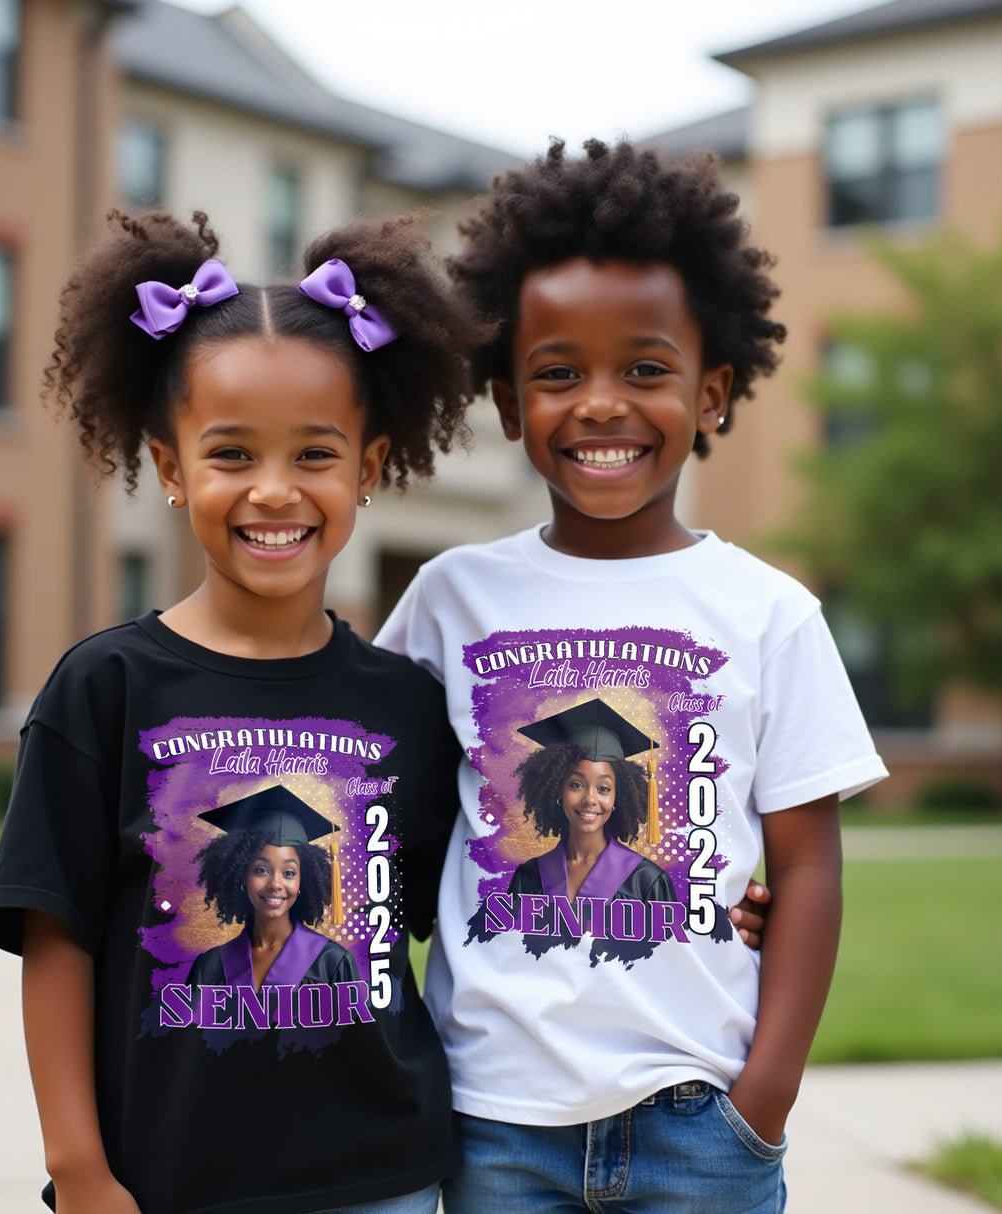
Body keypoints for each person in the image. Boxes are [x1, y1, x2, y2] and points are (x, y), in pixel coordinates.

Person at [376, 139, 888, 1213]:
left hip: (697, 1119)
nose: (600, 404)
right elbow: (385, 821)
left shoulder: (767, 613)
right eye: (557, 373)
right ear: (508, 402)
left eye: (644, 370)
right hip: (493, 1120)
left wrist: (765, 1100)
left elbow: (807, 872)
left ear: (710, 394)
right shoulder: (447, 598)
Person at [0, 207, 479, 1214]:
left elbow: (475, 906)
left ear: (368, 468)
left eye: (315, 454)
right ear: (170, 468)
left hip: (379, 1180)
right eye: (232, 453)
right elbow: (55, 939)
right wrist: (79, 1167)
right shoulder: (106, 685)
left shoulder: (405, 701)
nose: (274, 490)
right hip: (164, 1183)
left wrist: (731, 902)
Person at [187, 786, 361, 1004]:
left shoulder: (332, 962)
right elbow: (188, 1036)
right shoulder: (211, 966)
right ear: (242, 875)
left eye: (289, 873)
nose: (276, 884)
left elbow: (355, 1037)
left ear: (302, 881)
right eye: (261, 870)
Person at [506, 700, 677, 909]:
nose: (590, 799)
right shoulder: (529, 877)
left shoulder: (647, 881)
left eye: (604, 788)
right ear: (558, 790)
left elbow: (670, 943)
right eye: (576, 785)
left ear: (617, 797)